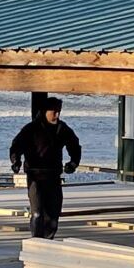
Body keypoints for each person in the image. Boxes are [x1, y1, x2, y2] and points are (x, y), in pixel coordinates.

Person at [10, 97, 82, 238]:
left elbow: (74, 145)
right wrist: (16, 161)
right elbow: (16, 146)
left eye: (59, 112)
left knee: (53, 215)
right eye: (54, 112)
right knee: (37, 213)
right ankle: (37, 241)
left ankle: (48, 241)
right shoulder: (31, 129)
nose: (57, 115)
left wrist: (73, 163)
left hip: (53, 176)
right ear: (44, 111)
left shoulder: (62, 129)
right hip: (35, 176)